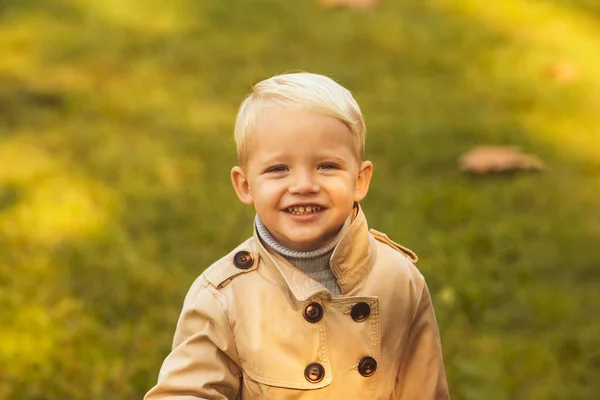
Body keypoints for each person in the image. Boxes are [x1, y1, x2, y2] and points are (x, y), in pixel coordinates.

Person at [145, 72, 450, 399]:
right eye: (278, 169)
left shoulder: (398, 279)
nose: (304, 185)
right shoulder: (224, 296)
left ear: (360, 180)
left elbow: (424, 389)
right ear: (246, 186)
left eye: (327, 166)